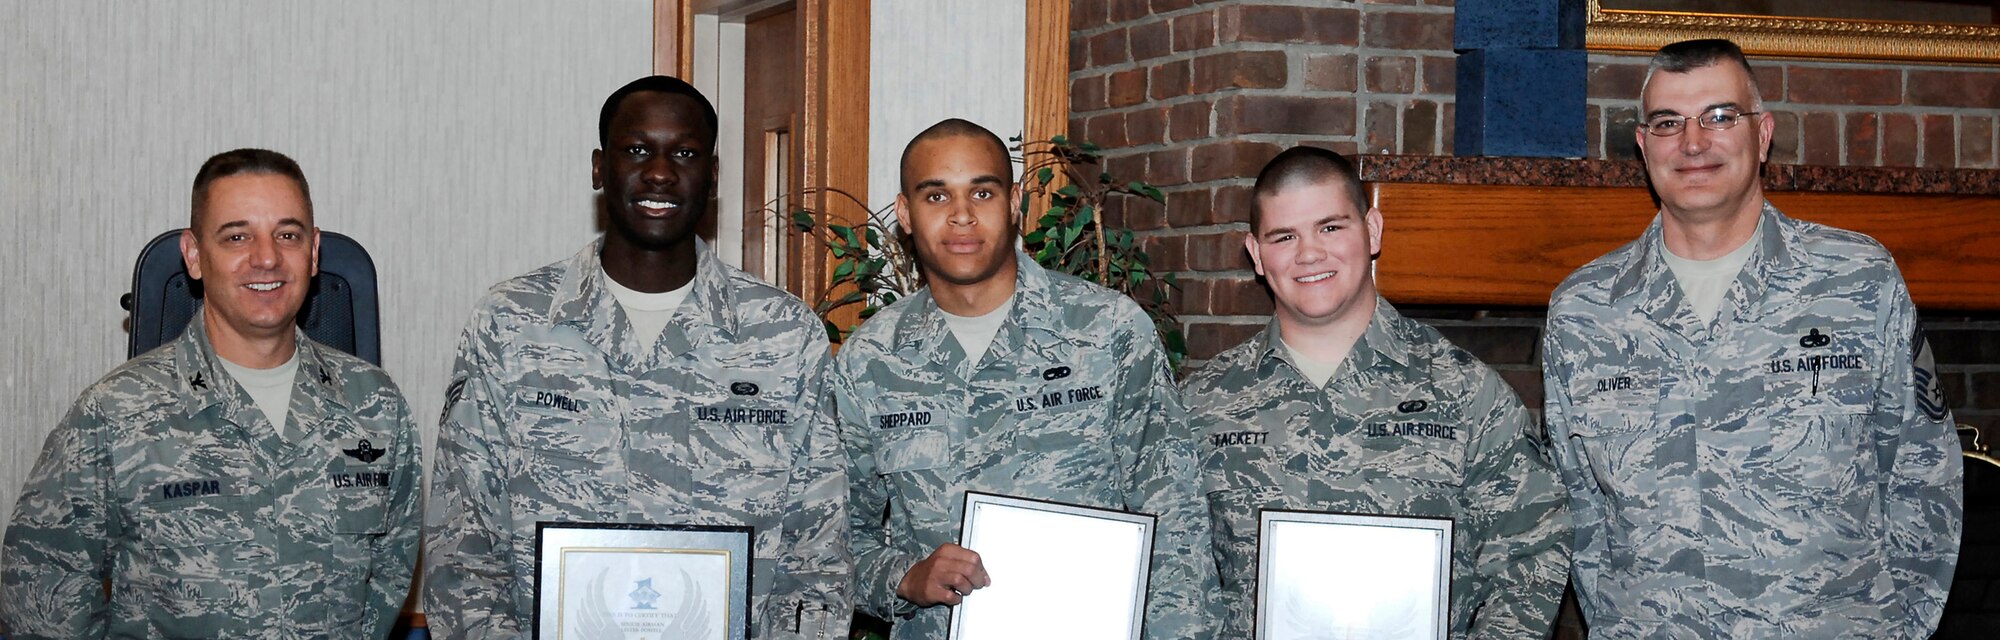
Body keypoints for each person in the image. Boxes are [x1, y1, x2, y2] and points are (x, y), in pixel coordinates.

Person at [1542, 38, 1962, 637]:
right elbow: (1576, 504)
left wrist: (1901, 631)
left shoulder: (1858, 279)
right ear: (1643, 146)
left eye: (1719, 116)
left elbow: (1925, 471)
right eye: (1668, 123)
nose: (1693, 143)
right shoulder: (1584, 310)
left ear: (1761, 135)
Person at [422, 75, 849, 639]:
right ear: (600, 167)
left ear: (713, 176)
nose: (660, 172)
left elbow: (817, 554)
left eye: (686, 153)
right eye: (638, 150)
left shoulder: (785, 334)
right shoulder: (511, 322)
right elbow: (462, 543)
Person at [0, 148, 422, 638]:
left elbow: (388, 578)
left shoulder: (374, 408)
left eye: (287, 235)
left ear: (313, 252)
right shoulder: (114, 415)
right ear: (195, 256)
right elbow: (41, 596)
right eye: (237, 236)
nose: (266, 257)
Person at [832, 118, 1216, 639]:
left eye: (982, 192)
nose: (963, 216)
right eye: (937, 196)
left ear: (1014, 203)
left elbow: (1176, 518)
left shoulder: (1106, 330)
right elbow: (834, 541)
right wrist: (904, 577)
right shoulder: (870, 360)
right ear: (905, 214)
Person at [1182, 146, 1571, 639]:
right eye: (1284, 236)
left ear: (1372, 230)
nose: (1309, 254)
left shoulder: (1465, 392)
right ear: (1257, 254)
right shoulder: (1201, 404)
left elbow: (1532, 548)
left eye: (1331, 227)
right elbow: (1175, 570)